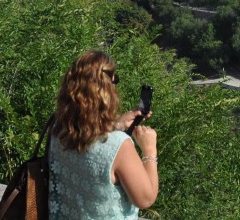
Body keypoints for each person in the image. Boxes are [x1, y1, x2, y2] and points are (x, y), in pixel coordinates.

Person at [49, 51, 158, 220]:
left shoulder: (58, 128)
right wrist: (149, 151)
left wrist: (117, 125)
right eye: (115, 81)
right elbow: (145, 198)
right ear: (106, 91)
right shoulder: (120, 146)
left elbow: (87, 135)